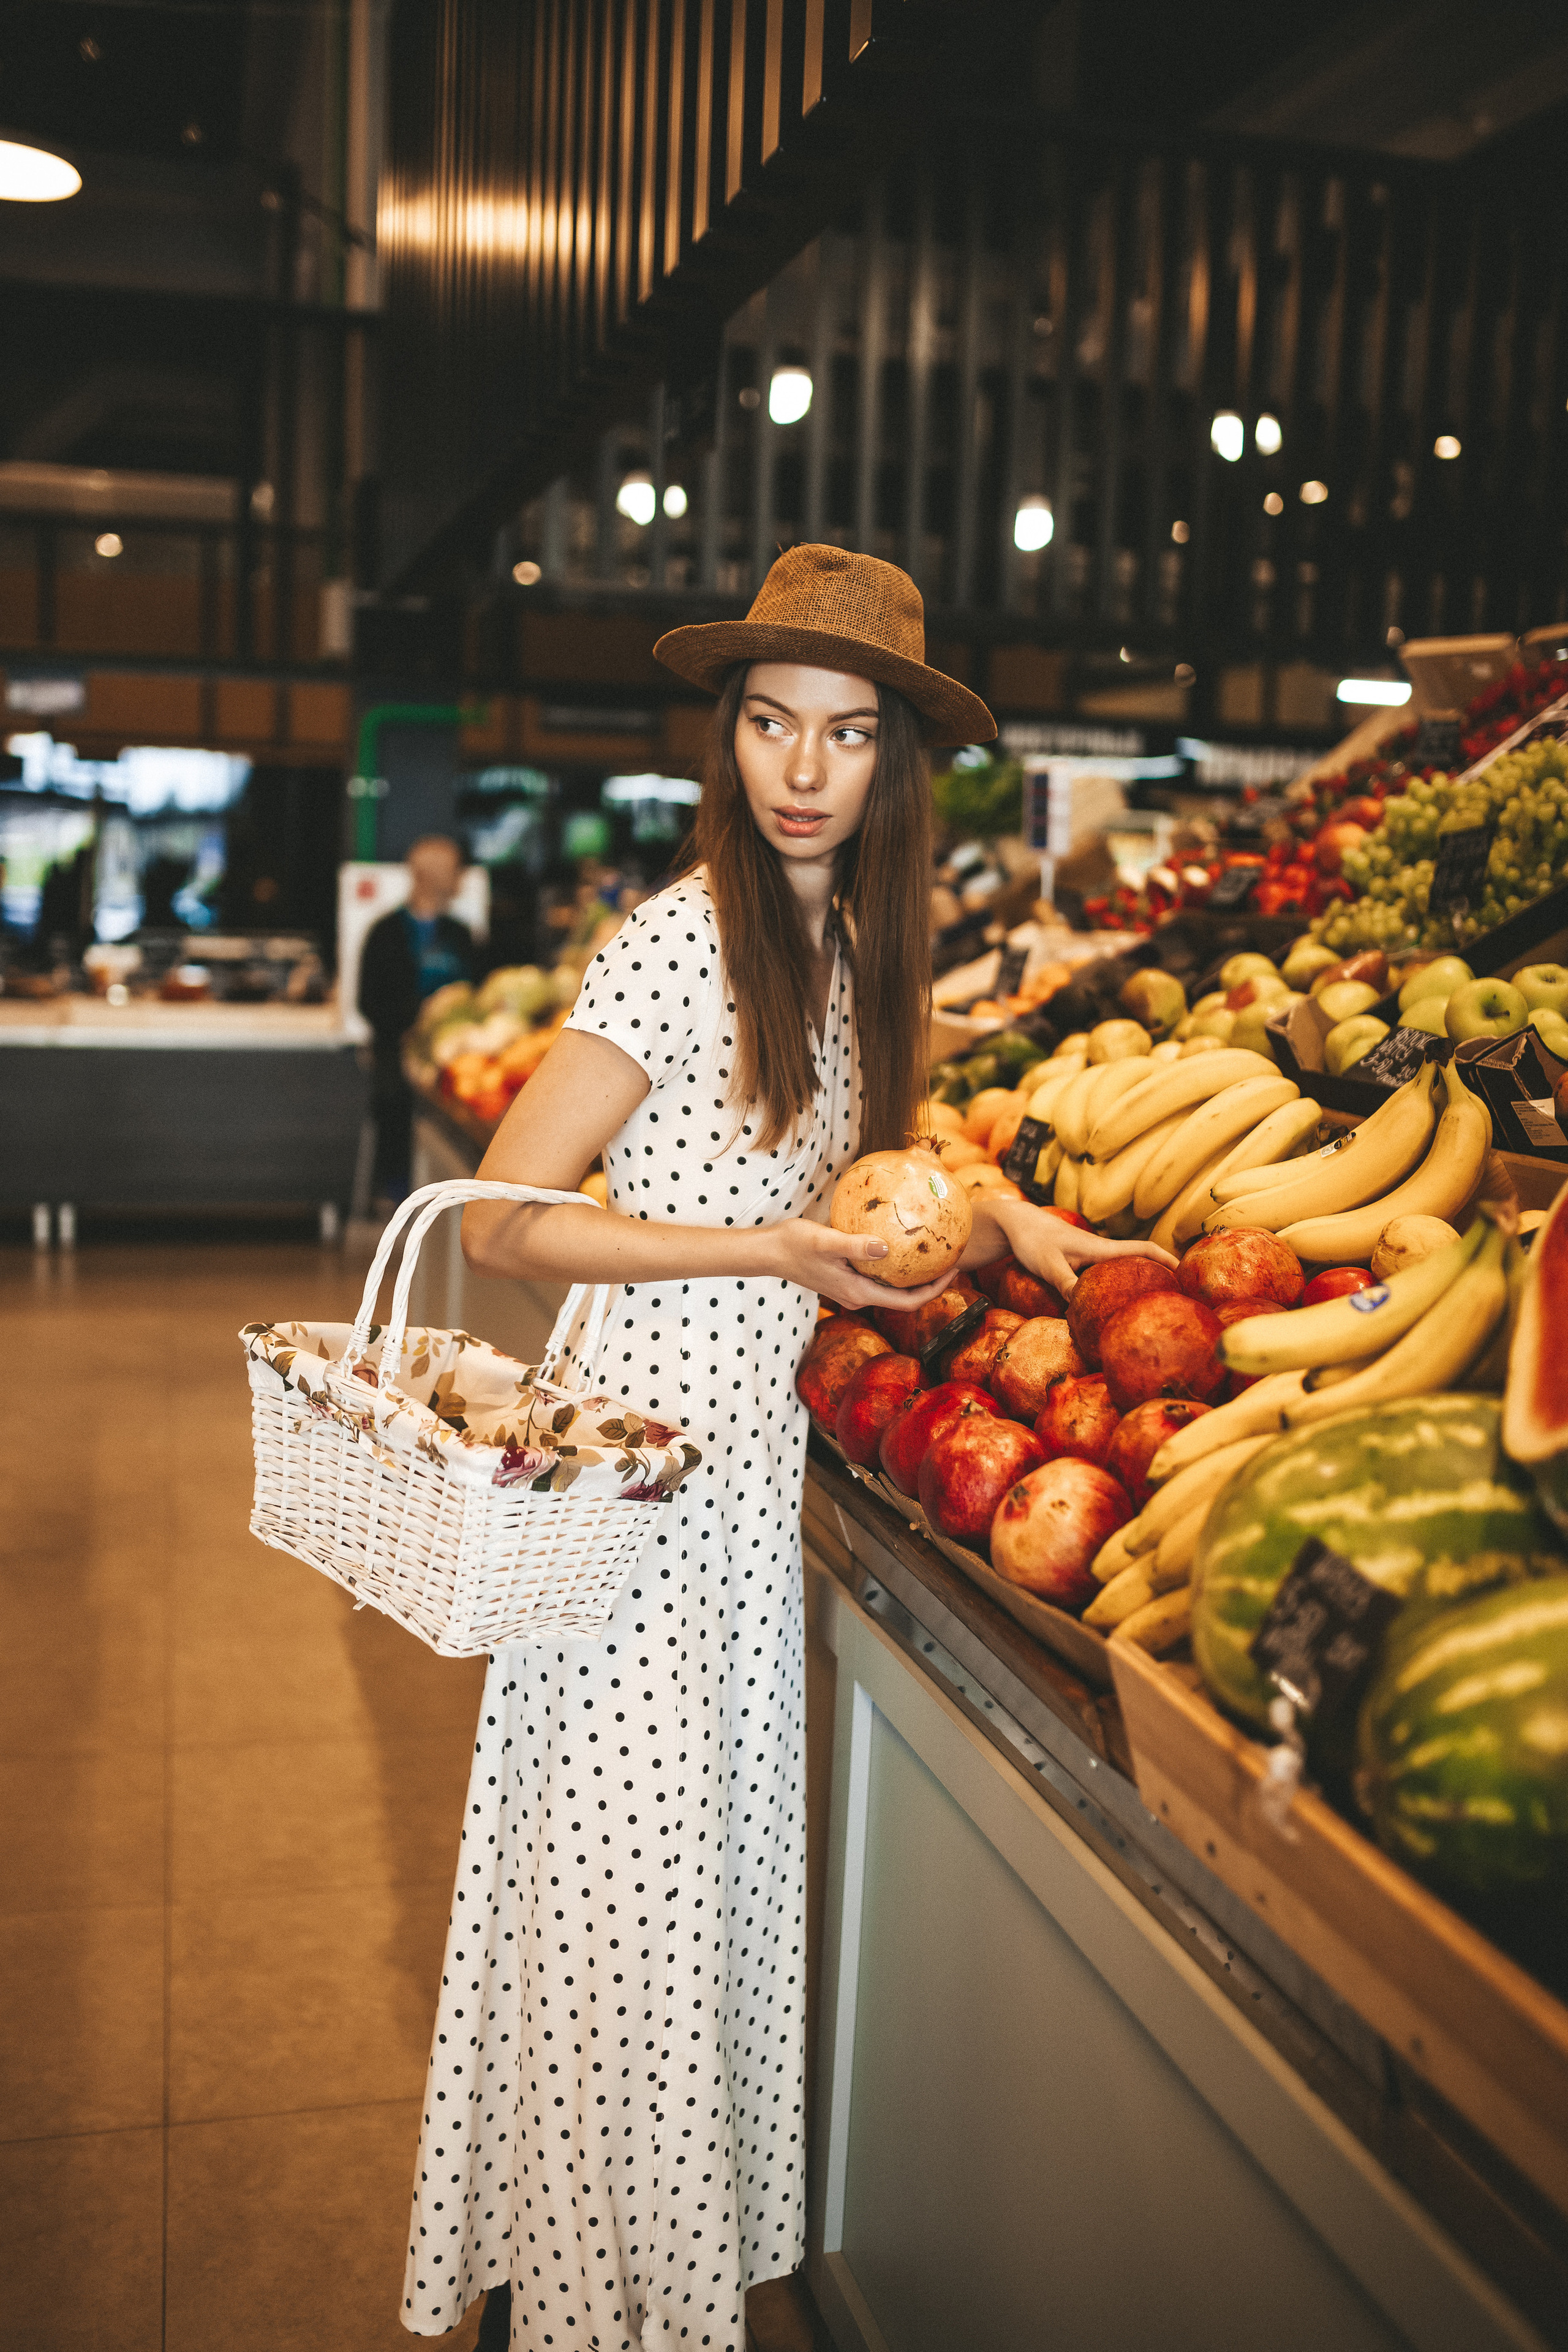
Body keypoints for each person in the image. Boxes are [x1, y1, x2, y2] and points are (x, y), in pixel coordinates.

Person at [400, 546, 1174, 2350]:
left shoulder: (844, 940)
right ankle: (598, 2305)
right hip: (643, 1475)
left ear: (892, 761)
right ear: (727, 736)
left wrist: (1010, 1229)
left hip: (742, 1485)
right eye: (767, 723)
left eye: (839, 733)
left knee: (685, 1898)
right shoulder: (682, 937)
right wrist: (759, 1251)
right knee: (626, 1898)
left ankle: (636, 2289)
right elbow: (499, 1224)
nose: (799, 768)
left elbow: (851, 1190)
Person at [358, 834, 477, 1200]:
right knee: (395, 1104)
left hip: (456, 1058)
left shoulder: (462, 934)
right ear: (433, 875)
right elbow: (367, 1002)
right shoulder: (385, 932)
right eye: (456, 869)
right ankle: (396, 1193)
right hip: (398, 1055)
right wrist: (415, 1021)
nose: (463, 877)